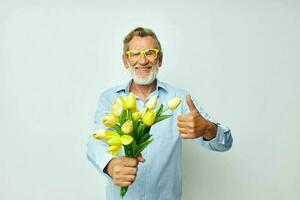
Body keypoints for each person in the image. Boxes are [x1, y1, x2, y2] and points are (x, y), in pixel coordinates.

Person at [87, 27, 233, 200]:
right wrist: (110, 165)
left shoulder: (180, 99)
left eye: (150, 53)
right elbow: (95, 143)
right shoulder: (110, 98)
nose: (142, 60)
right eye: (134, 54)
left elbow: (225, 143)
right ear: (125, 61)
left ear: (160, 59)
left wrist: (209, 129)